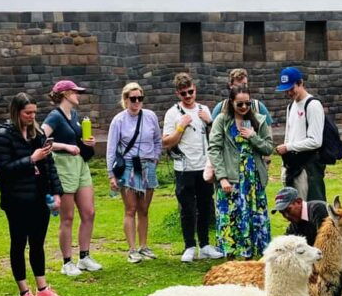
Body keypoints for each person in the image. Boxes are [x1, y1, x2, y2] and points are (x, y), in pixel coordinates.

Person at [0, 93, 65, 296]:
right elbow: (4, 170)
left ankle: (42, 287)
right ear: (16, 112)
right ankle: (24, 291)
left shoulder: (38, 134)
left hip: (39, 196)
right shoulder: (3, 136)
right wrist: (31, 159)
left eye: (34, 112)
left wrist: (57, 192)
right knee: (18, 243)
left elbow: (49, 165)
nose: (31, 117)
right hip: (17, 199)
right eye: (27, 113)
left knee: (37, 243)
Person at [162, 73, 224, 262]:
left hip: (204, 165)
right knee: (187, 207)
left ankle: (205, 244)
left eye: (190, 92)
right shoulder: (173, 113)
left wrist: (210, 121)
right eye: (184, 94)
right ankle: (189, 245)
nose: (188, 96)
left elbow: (217, 136)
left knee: (205, 205)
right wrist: (180, 128)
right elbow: (166, 142)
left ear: (195, 89)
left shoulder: (204, 109)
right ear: (178, 94)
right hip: (184, 167)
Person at [42, 80, 101, 276]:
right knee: (67, 217)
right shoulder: (54, 116)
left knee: (89, 212)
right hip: (63, 165)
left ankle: (84, 257)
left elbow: (75, 138)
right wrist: (65, 146)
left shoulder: (74, 115)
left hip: (80, 165)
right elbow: (41, 138)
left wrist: (86, 142)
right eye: (76, 92)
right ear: (66, 93)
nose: (79, 95)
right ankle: (67, 262)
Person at [208, 86, 274, 258]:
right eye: (240, 104)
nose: (244, 107)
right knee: (230, 216)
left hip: (253, 179)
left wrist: (253, 136)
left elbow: (268, 148)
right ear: (231, 102)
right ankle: (230, 255)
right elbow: (214, 149)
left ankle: (251, 254)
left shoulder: (259, 120)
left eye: (247, 103)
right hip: (231, 177)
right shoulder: (222, 121)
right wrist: (221, 178)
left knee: (253, 215)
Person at [106, 83, 162, 264]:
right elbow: (111, 148)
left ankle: (144, 245)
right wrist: (111, 174)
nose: (137, 102)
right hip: (129, 165)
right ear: (125, 100)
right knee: (130, 209)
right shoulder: (119, 120)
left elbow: (157, 140)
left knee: (144, 209)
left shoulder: (150, 116)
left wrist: (154, 158)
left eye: (140, 98)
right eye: (133, 99)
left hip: (147, 164)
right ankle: (131, 249)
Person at [276, 66, 326, 201]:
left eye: (291, 89)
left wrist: (289, 147)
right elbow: (289, 134)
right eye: (286, 90)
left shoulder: (313, 105)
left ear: (300, 83)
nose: (289, 93)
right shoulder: (291, 106)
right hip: (292, 164)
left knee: (309, 206)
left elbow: (315, 141)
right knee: (293, 208)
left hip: (308, 165)